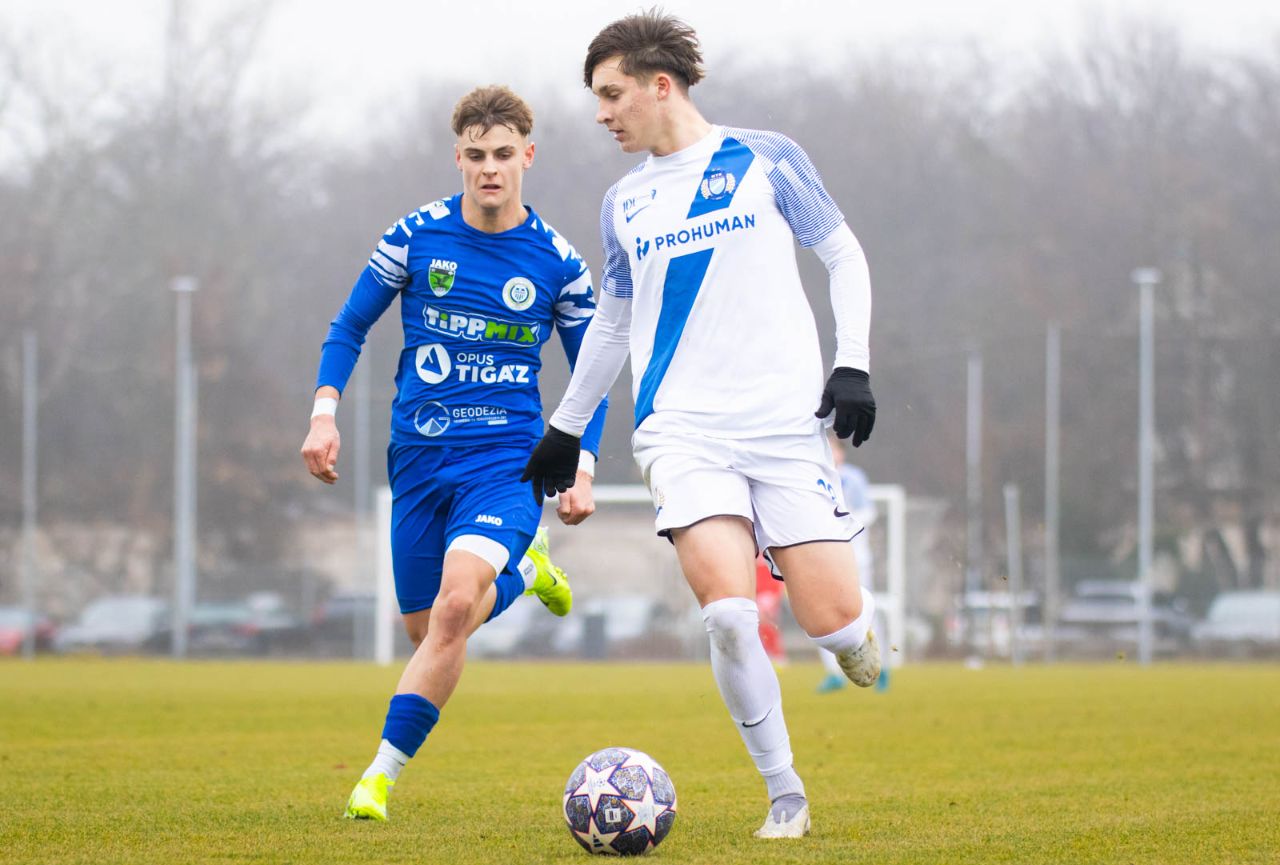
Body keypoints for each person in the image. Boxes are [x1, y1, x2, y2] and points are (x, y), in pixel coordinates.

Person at [522, 11, 879, 839]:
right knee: (726, 612)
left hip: (784, 426)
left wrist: (853, 363)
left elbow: (844, 255)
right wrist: (567, 426)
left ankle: (858, 632)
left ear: (660, 85)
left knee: (834, 623)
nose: (602, 114)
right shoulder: (623, 203)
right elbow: (613, 323)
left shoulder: (765, 157)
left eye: (612, 94)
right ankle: (785, 794)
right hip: (681, 432)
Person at [300, 85, 608, 821]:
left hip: (506, 463)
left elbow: (593, 374)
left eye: (502, 154)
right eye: (476, 155)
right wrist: (323, 415)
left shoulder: (559, 264)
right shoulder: (414, 237)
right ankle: (527, 573)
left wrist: (583, 466)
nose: (489, 168)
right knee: (429, 633)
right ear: (458, 158)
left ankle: (377, 777)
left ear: (528, 155)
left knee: (453, 609)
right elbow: (348, 328)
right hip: (418, 458)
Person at [817, 438, 890, 693]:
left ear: (842, 453)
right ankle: (834, 673)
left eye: (833, 449)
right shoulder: (811, 474)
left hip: (855, 557)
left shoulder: (853, 478)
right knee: (821, 612)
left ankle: (881, 666)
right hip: (822, 557)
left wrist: (843, 522)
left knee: (864, 611)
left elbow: (868, 512)